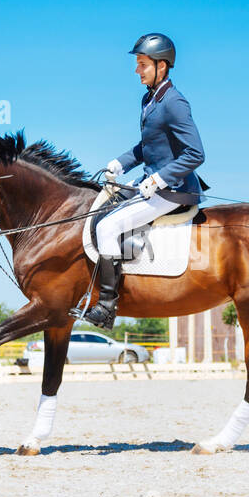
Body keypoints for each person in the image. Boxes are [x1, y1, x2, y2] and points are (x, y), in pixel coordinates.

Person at [83, 33, 208, 329]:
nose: (136, 70)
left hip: (174, 190)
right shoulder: (150, 99)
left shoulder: (175, 103)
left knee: (108, 226)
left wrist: (160, 179)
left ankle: (107, 306)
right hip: (152, 181)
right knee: (103, 211)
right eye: (137, 64)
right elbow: (148, 146)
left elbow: (196, 153)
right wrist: (121, 162)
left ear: (161, 66)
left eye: (142, 64)